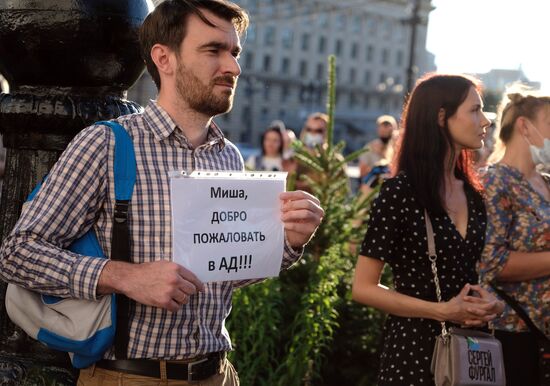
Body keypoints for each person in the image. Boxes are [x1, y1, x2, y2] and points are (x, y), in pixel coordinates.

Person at [0, 1, 324, 384]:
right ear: (164, 58)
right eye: (213, 50)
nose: (233, 67)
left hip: (217, 374)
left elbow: (225, 274)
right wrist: (124, 277)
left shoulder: (228, 157)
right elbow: (17, 254)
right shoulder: (106, 143)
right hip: (130, 377)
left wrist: (288, 243)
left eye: (234, 53)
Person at [352, 73, 503, 386]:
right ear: (441, 117)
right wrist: (442, 311)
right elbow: (363, 287)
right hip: (412, 354)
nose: (485, 121)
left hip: (469, 353)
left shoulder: (474, 194)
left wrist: (489, 302)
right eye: (474, 110)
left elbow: (466, 274)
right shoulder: (400, 192)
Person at [480, 90, 550, 386]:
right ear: (524, 126)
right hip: (512, 333)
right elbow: (490, 262)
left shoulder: (545, 182)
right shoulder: (494, 181)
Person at [358, 114, 397, 180]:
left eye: (388, 127)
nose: (385, 129)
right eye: (383, 127)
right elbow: (362, 170)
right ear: (378, 129)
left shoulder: (397, 147)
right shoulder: (370, 147)